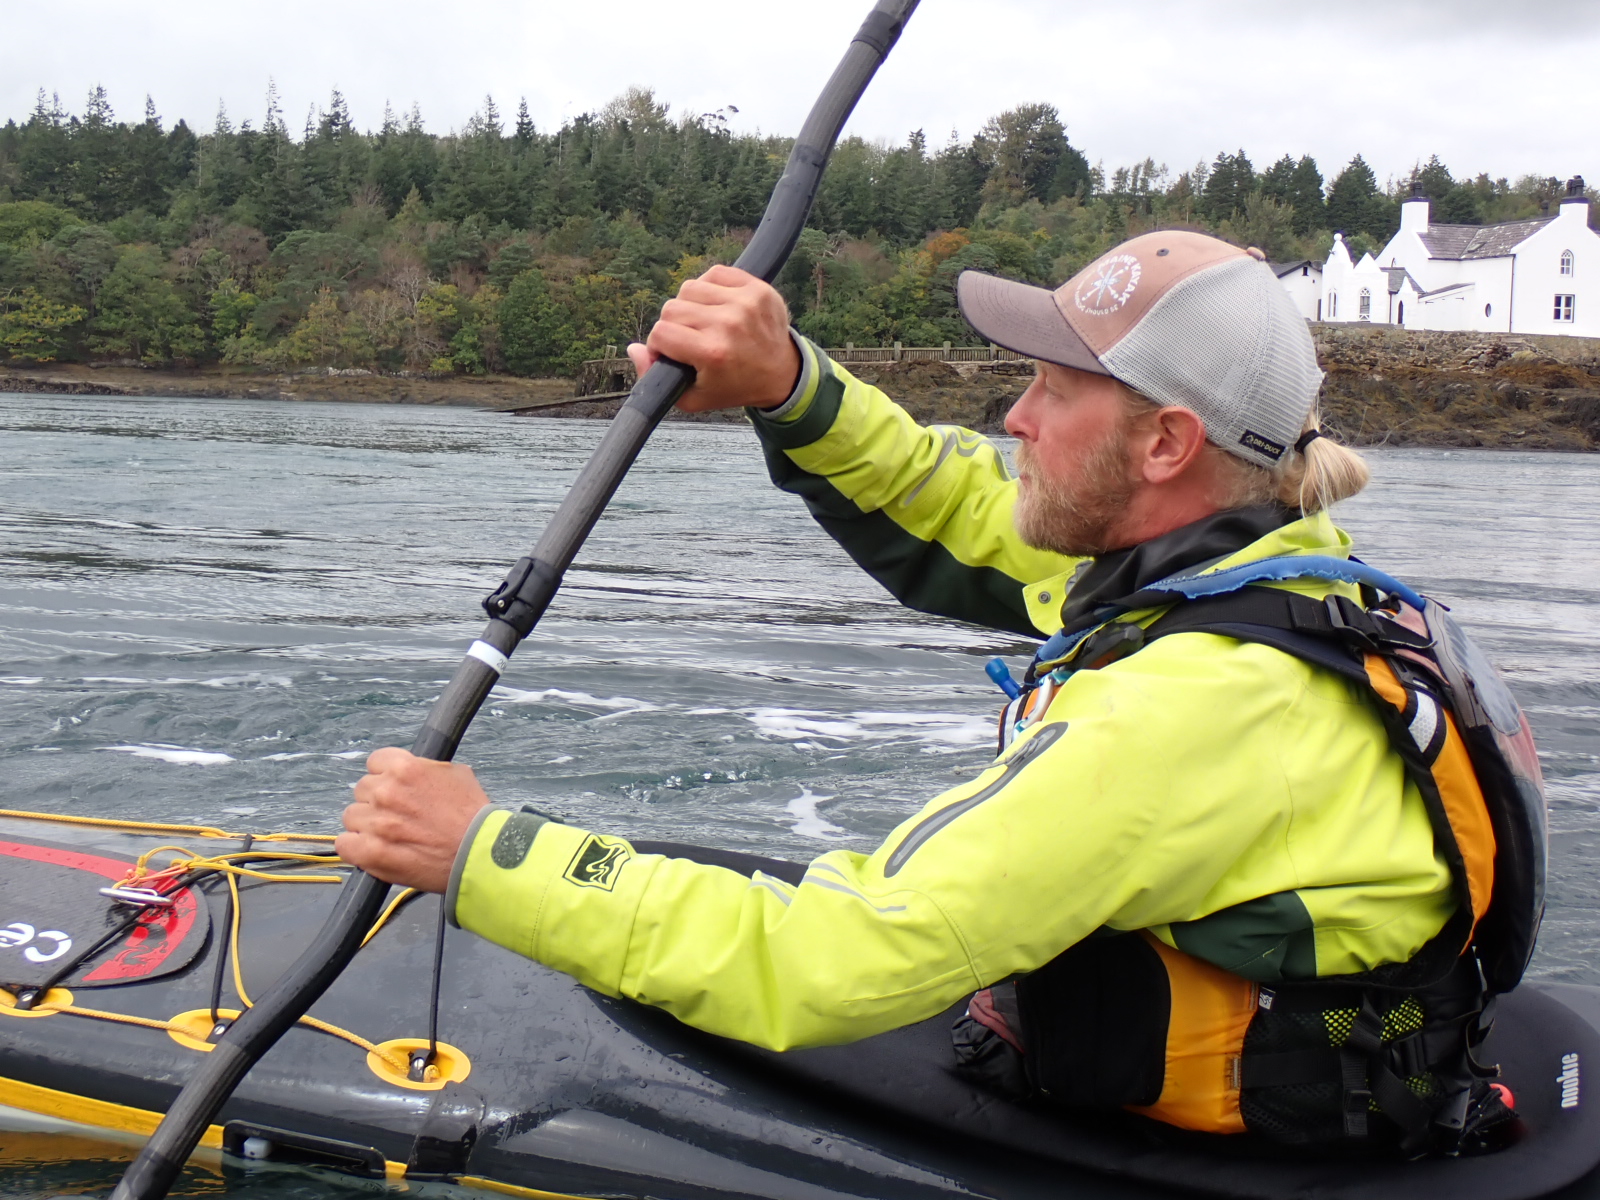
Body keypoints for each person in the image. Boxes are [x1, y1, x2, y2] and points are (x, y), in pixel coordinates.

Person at [337, 231, 1512, 1151]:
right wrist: (786, 381)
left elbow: (832, 964)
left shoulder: (1192, 710)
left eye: (1053, 391)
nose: (1014, 419)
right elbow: (955, 500)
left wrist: (482, 853)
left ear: (1164, 443)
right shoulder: (1260, 555)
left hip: (1266, 1133)